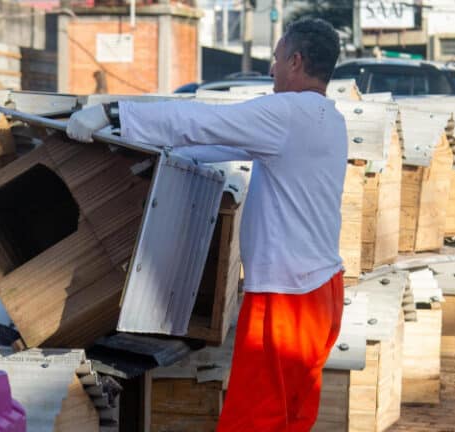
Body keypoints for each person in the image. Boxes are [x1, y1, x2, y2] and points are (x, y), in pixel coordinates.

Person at [67, 18, 347, 431]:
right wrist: (152, 148)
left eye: (275, 58)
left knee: (252, 420)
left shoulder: (288, 112)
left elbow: (204, 121)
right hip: (321, 291)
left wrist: (112, 113)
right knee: (290, 418)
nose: (271, 69)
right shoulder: (328, 118)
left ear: (296, 61)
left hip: (286, 299)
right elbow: (223, 142)